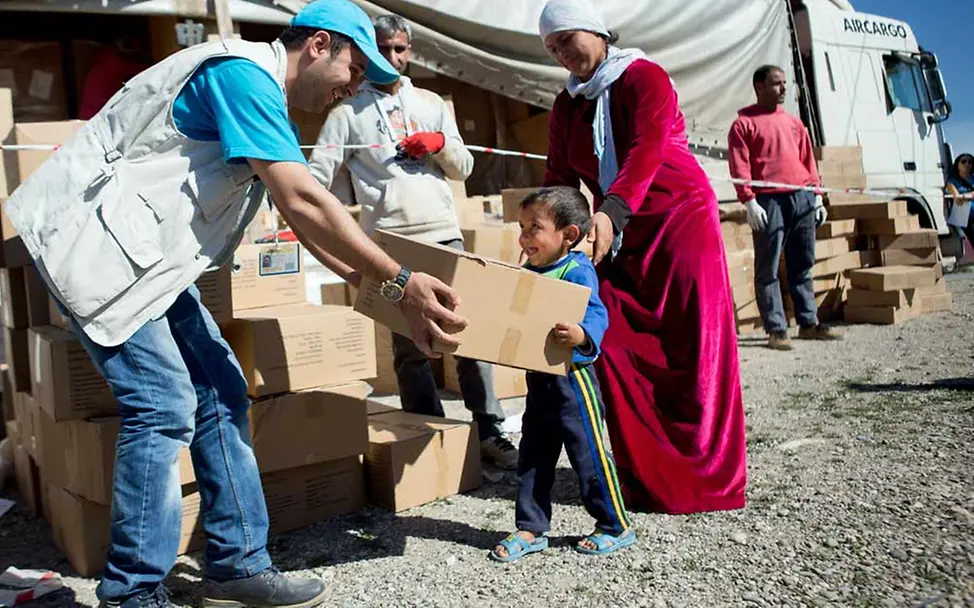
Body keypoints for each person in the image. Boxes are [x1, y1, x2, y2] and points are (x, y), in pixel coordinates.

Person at [4, 2, 468, 607]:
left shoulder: (261, 95)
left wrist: (390, 295)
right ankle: (132, 593)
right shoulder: (242, 76)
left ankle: (237, 566)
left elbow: (306, 227)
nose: (356, 86)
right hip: (99, 250)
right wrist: (402, 280)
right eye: (356, 69)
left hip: (146, 263)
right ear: (320, 46)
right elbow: (304, 199)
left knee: (220, 388)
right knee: (163, 403)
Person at [537, 0, 746, 515]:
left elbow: (645, 151)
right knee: (618, 343)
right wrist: (540, 230)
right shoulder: (569, 105)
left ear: (596, 30)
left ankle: (705, 477)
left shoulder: (642, 77)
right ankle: (648, 476)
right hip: (617, 233)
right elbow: (560, 177)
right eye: (552, 48)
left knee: (691, 344)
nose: (562, 53)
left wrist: (609, 213)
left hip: (677, 222)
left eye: (566, 39)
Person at [308, 14, 518, 470]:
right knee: (409, 348)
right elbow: (315, 179)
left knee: (467, 335)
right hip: (391, 245)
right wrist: (350, 222)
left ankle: (490, 430)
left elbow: (463, 167)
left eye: (401, 49)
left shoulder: (429, 102)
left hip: (444, 234)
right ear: (368, 52)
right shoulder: (346, 113)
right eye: (384, 49)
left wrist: (439, 141)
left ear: (411, 50)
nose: (394, 58)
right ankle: (429, 433)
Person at [489, 186, 634, 563]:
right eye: (521, 228)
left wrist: (582, 335)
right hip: (539, 380)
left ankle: (614, 524)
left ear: (568, 235)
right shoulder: (529, 272)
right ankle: (531, 526)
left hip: (574, 382)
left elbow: (597, 315)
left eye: (533, 228)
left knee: (588, 455)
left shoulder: (577, 270)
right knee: (534, 454)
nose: (523, 237)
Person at [729, 64, 842, 350]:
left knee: (802, 262)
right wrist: (749, 200)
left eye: (784, 83)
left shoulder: (794, 123)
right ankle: (776, 329)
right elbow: (739, 164)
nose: (783, 89)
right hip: (769, 201)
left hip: (801, 197)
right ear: (759, 87)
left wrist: (816, 194)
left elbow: (808, 160)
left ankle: (808, 323)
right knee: (767, 267)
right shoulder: (744, 124)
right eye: (776, 83)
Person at [945, 153, 974, 257]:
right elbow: (956, 197)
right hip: (968, 220)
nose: (967, 164)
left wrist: (966, 196)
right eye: (963, 161)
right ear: (957, 164)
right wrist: (967, 196)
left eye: (970, 162)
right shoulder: (952, 181)